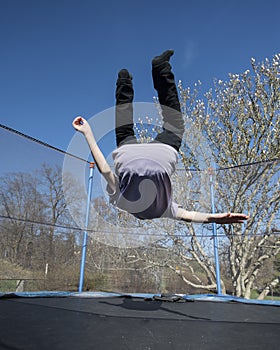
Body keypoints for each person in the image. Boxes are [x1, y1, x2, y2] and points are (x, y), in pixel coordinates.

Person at [72, 50, 249, 224]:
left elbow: (190, 215)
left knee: (174, 123)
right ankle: (123, 81)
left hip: (161, 157)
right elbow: (105, 170)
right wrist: (87, 132)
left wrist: (215, 218)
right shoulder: (123, 204)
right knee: (124, 129)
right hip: (129, 156)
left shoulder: (166, 210)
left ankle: (161, 68)